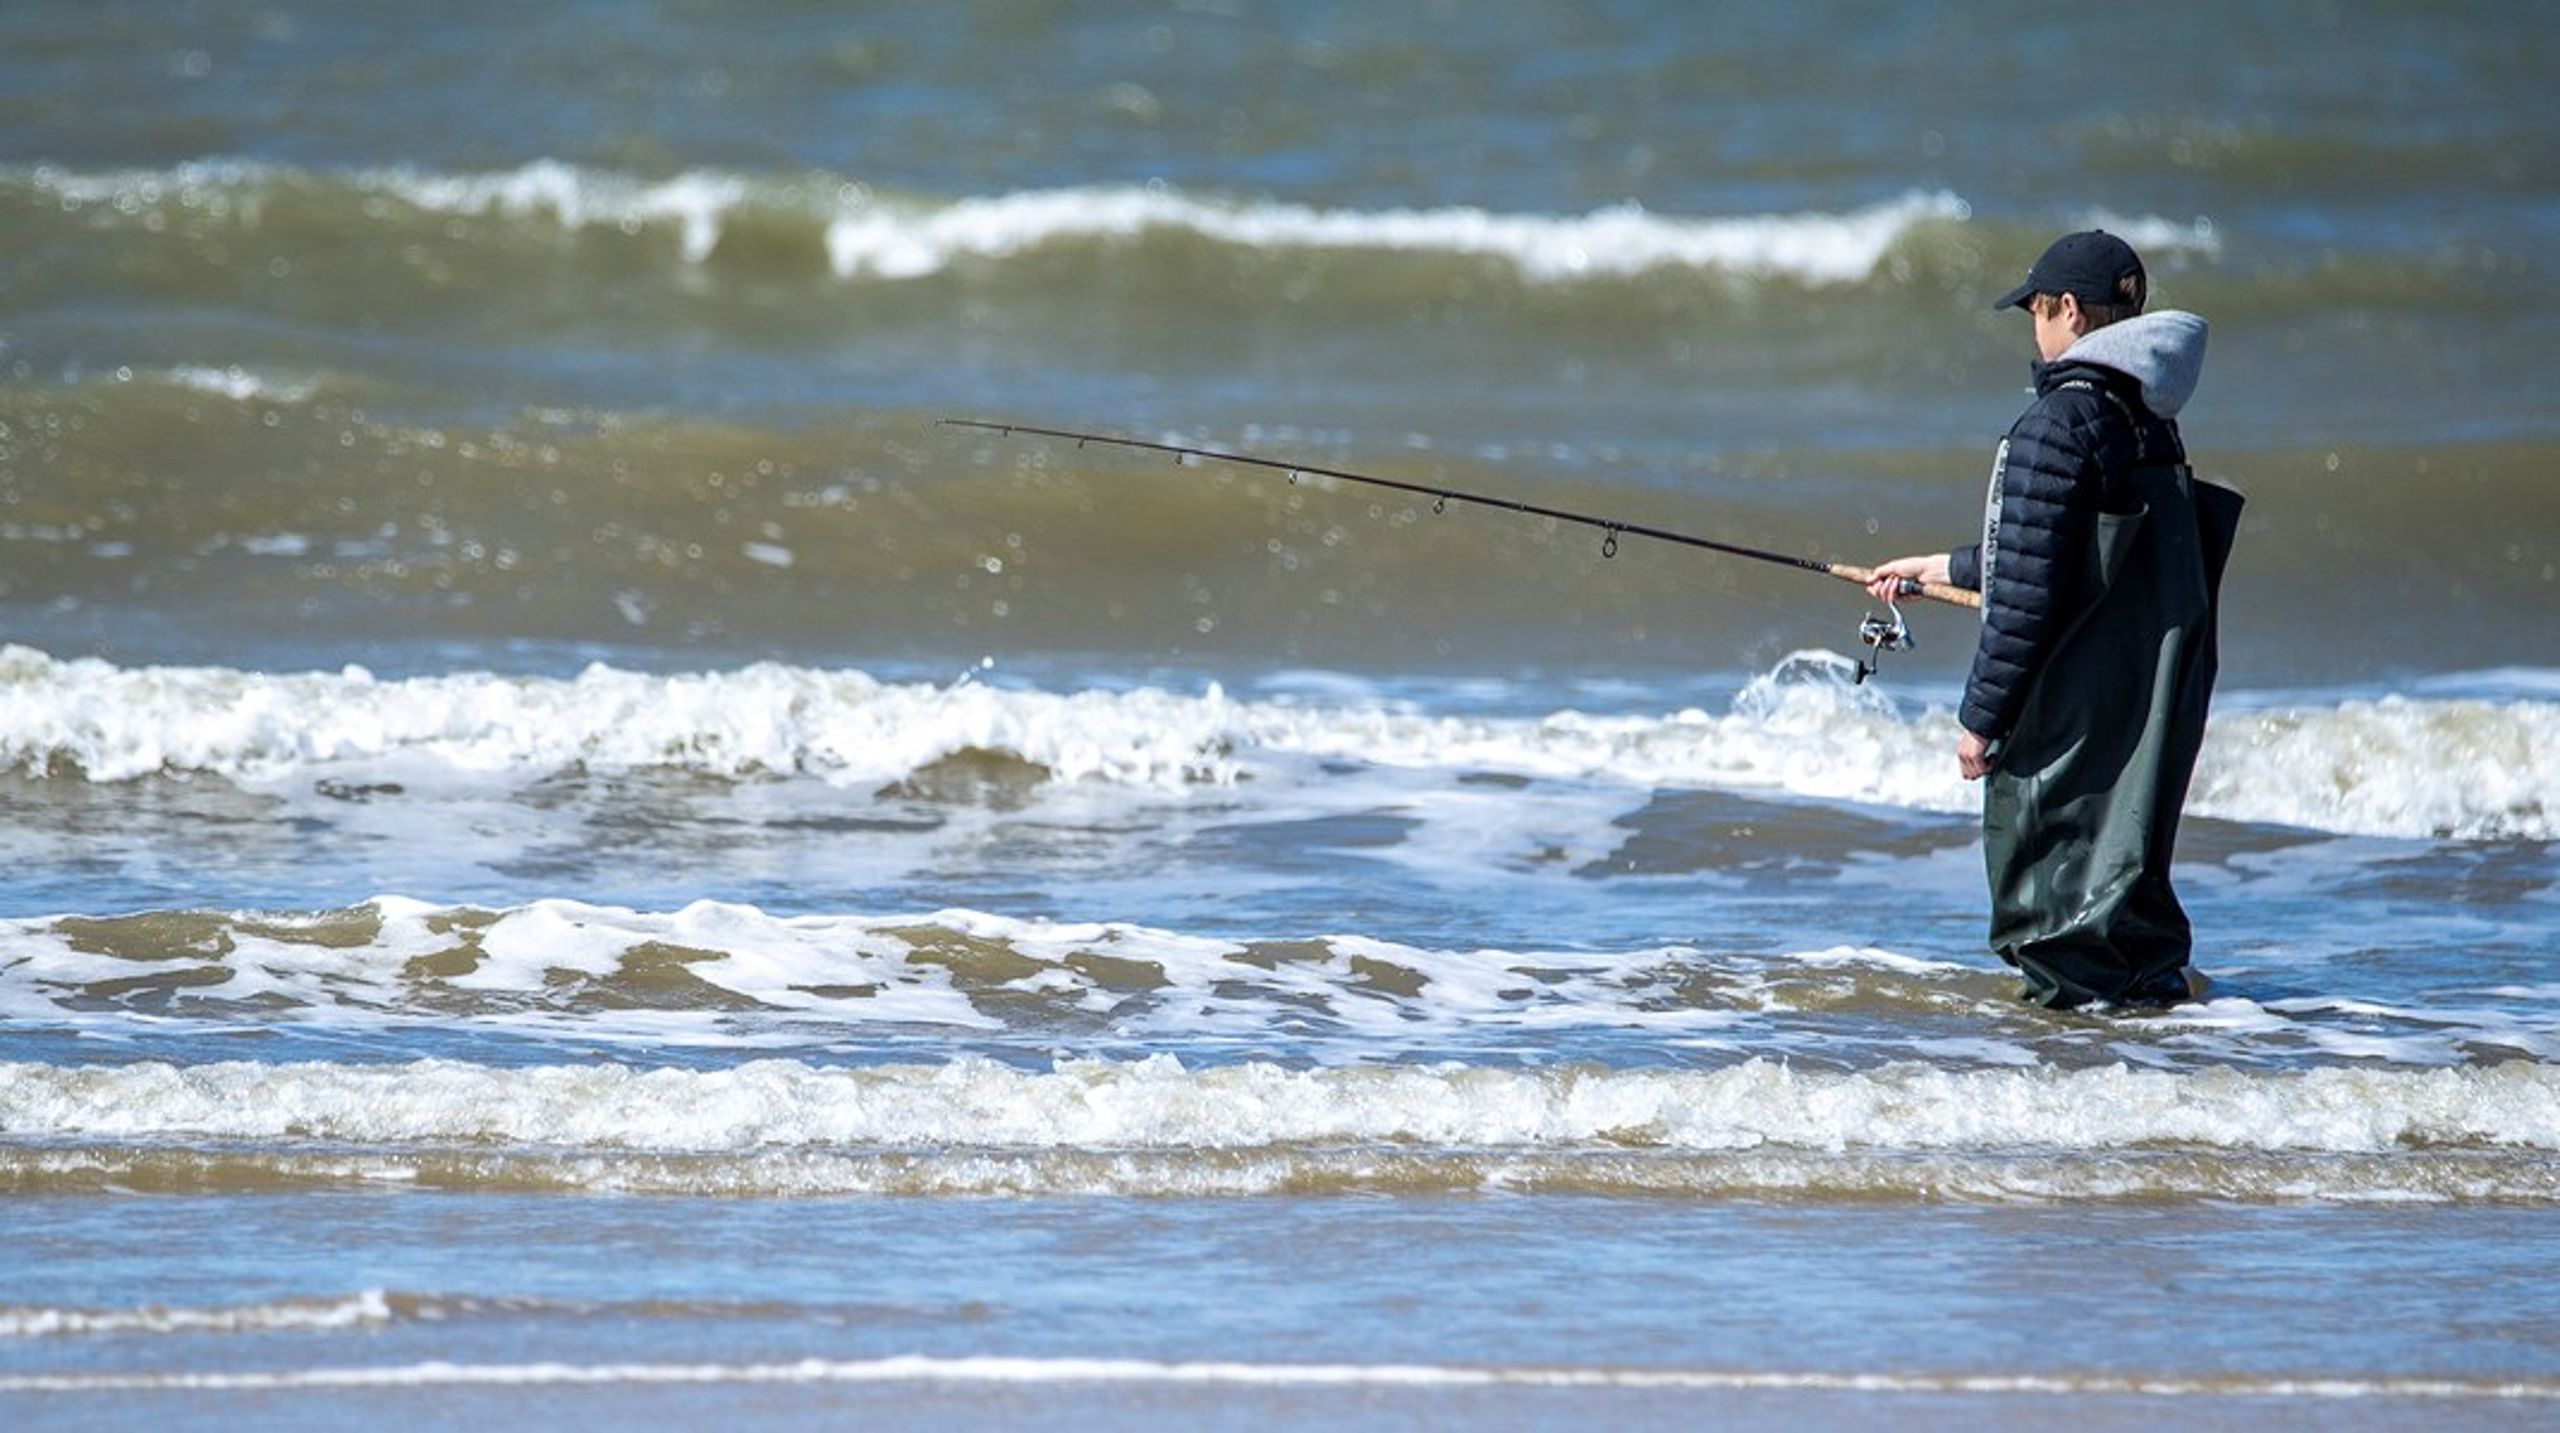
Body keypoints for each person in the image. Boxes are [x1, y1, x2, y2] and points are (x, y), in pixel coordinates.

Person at [1867, 230, 2243, 1009]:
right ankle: (2155, 1063)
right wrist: (1940, 567)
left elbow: (2031, 594)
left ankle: (2072, 1094)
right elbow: (2060, 550)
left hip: (2076, 705)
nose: (2034, 329)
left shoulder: (2057, 424)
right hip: (2147, 696)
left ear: (2068, 310)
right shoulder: (2145, 418)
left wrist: (1980, 718)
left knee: (2057, 913)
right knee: (2125, 892)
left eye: (2036, 310)